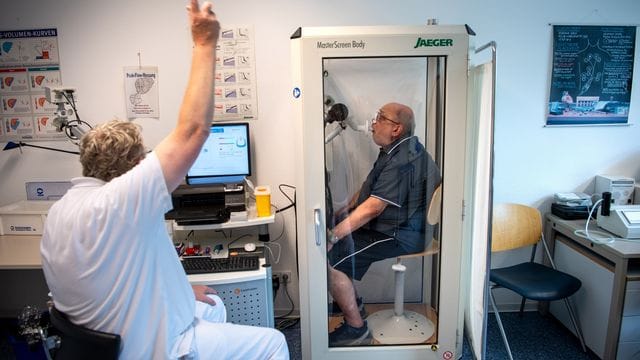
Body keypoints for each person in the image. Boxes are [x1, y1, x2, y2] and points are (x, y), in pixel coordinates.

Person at [39, 1, 289, 359]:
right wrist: (204, 43)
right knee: (273, 343)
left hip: (106, 334)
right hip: (152, 345)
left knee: (213, 305)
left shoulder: (63, 210)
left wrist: (184, 292)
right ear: (135, 167)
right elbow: (193, 130)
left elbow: (124, 275)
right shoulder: (118, 204)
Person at [326, 102, 441, 346]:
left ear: (396, 128)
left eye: (380, 117)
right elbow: (370, 189)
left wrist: (332, 236)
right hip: (393, 225)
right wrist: (344, 211)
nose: (373, 123)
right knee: (337, 241)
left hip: (403, 234)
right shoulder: (394, 150)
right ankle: (352, 305)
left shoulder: (403, 160)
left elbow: (374, 207)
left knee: (330, 259)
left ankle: (356, 330)